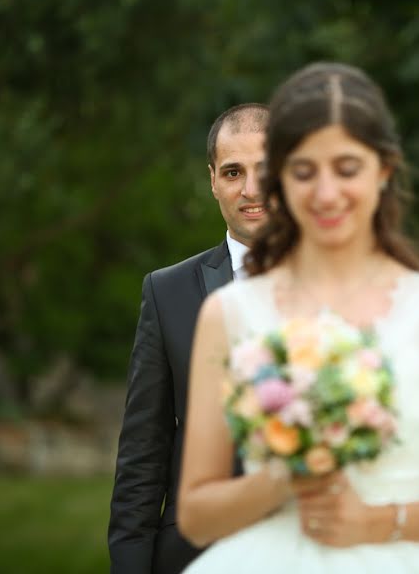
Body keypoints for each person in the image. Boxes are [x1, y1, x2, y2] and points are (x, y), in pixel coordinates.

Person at [177, 63, 419, 573]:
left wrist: (380, 523)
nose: (326, 193)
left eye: (347, 168)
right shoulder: (230, 312)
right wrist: (287, 475)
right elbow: (196, 515)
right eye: (304, 171)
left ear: (384, 170)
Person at [108, 103, 269, 574]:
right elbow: (144, 449)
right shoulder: (167, 291)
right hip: (197, 555)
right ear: (213, 180)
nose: (251, 189)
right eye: (234, 172)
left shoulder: (339, 286)